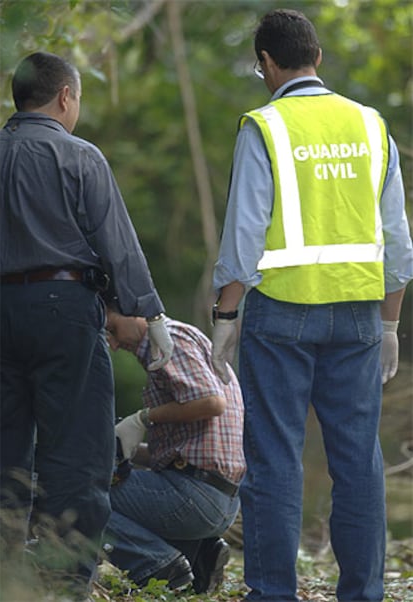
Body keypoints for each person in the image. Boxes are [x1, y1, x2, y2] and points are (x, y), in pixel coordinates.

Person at [211, 9, 413, 602]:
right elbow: (398, 243)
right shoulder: (371, 126)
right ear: (318, 57)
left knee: (274, 457)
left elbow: (242, 236)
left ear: (268, 64)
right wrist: (391, 323)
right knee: (359, 458)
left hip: (280, 316)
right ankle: (364, 593)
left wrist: (226, 318)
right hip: (357, 316)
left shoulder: (265, 126)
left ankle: (273, 593)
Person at [0, 52, 173, 601]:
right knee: (76, 452)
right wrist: (150, 312)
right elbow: (117, 243)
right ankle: (64, 583)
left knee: (3, 450)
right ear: (66, 97)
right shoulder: (79, 156)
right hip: (63, 309)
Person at [103, 309, 246, 594]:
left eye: (113, 329)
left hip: (195, 496)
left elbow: (211, 403)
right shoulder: (181, 338)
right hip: (219, 497)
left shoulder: (168, 341)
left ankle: (158, 564)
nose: (114, 345)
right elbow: (187, 447)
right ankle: (198, 556)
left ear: (130, 311)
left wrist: (142, 418)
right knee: (114, 478)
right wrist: (122, 449)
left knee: (75, 493)